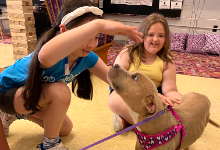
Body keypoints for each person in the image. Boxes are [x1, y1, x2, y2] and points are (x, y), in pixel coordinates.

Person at [0, 0, 143, 149]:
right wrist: (97, 25)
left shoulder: (88, 58)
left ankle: (15, 115)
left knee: (64, 128)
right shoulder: (52, 53)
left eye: (95, 36)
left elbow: (118, 82)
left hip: (29, 96)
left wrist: (150, 94)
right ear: (63, 31)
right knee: (60, 91)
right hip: (6, 94)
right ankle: (50, 145)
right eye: (83, 35)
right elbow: (45, 56)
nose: (91, 44)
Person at [108, 13, 183, 132]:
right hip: (128, 94)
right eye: (151, 34)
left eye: (161, 35)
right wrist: (153, 95)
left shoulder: (166, 60)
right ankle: (151, 127)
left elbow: (170, 90)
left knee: (183, 104)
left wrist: (181, 101)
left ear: (166, 38)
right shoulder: (128, 53)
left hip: (154, 99)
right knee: (113, 101)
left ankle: (127, 119)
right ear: (142, 35)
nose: (155, 39)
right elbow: (115, 81)